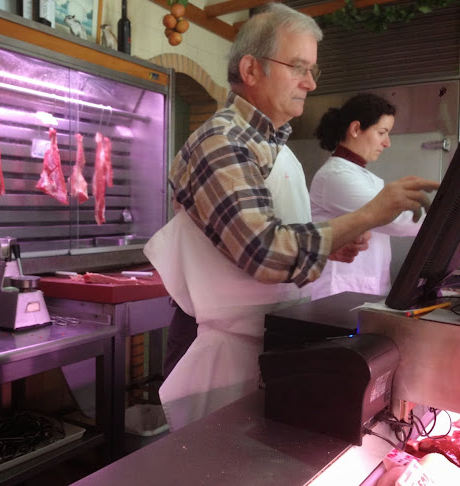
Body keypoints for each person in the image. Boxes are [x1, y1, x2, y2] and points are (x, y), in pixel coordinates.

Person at [143, 2, 438, 433]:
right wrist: (374, 212)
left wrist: (330, 245)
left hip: (268, 343)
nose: (310, 82)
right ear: (251, 68)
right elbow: (264, 251)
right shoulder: (221, 142)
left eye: (313, 70)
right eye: (299, 67)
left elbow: (279, 235)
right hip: (218, 348)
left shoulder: (278, 150)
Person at [308, 93, 423, 300]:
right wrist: (447, 220)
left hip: (361, 289)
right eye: (382, 132)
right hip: (337, 294)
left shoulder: (360, 175)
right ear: (355, 129)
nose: (387, 143)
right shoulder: (336, 177)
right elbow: (397, 219)